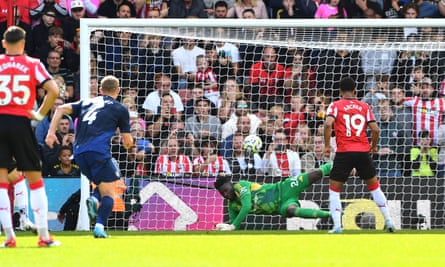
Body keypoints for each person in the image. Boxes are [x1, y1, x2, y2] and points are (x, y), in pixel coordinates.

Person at [45, 75, 133, 238]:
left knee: (101, 184)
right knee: (109, 193)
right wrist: (131, 145)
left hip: (78, 154)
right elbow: (127, 142)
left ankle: (95, 200)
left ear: (100, 90)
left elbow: (60, 109)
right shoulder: (120, 109)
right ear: (118, 91)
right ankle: (99, 225)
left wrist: (51, 133)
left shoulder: (86, 102)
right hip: (98, 152)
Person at [0, 26, 60, 248]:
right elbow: (53, 90)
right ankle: (44, 237)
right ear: (23, 44)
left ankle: (9, 238)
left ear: (4, 44)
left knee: (1, 183)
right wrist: (40, 114)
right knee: (35, 180)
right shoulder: (32, 64)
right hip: (21, 122)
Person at [324, 77, 395, 234]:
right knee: (375, 187)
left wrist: (328, 146)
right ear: (355, 91)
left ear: (340, 91)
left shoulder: (335, 106)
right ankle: (389, 220)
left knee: (334, 190)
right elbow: (376, 130)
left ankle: (337, 226)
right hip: (363, 151)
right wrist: (374, 146)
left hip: (344, 152)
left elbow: (328, 124)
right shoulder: (364, 106)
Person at [214, 162, 332, 230]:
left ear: (230, 184)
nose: (225, 194)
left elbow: (246, 207)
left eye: (226, 190)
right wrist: (228, 226)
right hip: (280, 206)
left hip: (284, 188)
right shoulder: (232, 206)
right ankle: (331, 214)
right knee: (291, 210)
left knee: (315, 174)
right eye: (222, 193)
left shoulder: (241, 186)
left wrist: (232, 226)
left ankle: (342, 165)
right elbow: (235, 225)